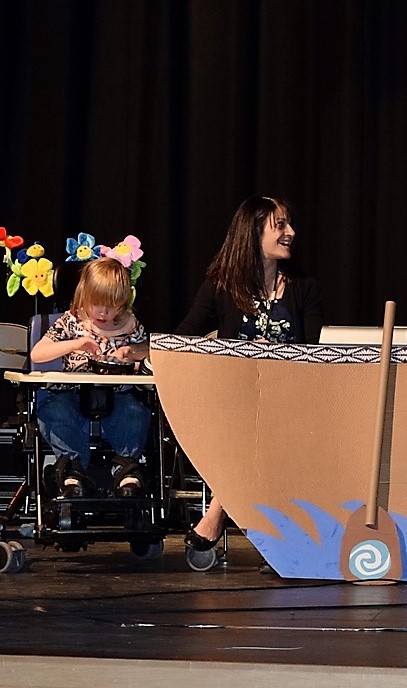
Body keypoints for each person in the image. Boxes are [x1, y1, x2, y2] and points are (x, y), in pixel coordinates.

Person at [175, 195, 323, 553]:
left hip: (291, 397)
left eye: (290, 224)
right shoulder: (221, 286)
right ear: (253, 233)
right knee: (247, 427)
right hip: (236, 397)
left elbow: (316, 350)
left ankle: (217, 512)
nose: (291, 232)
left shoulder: (304, 286)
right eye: (280, 225)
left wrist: (273, 354)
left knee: (273, 426)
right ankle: (268, 535)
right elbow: (184, 338)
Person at [31, 257, 151, 498]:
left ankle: (126, 468)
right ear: (84, 295)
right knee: (54, 411)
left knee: (135, 412)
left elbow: (150, 350)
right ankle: (72, 470)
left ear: (123, 302)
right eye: (97, 304)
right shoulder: (70, 322)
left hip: (117, 396)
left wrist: (132, 352)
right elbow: (38, 354)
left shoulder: (131, 326)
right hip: (72, 392)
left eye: (112, 306)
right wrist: (75, 344)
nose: (104, 312)